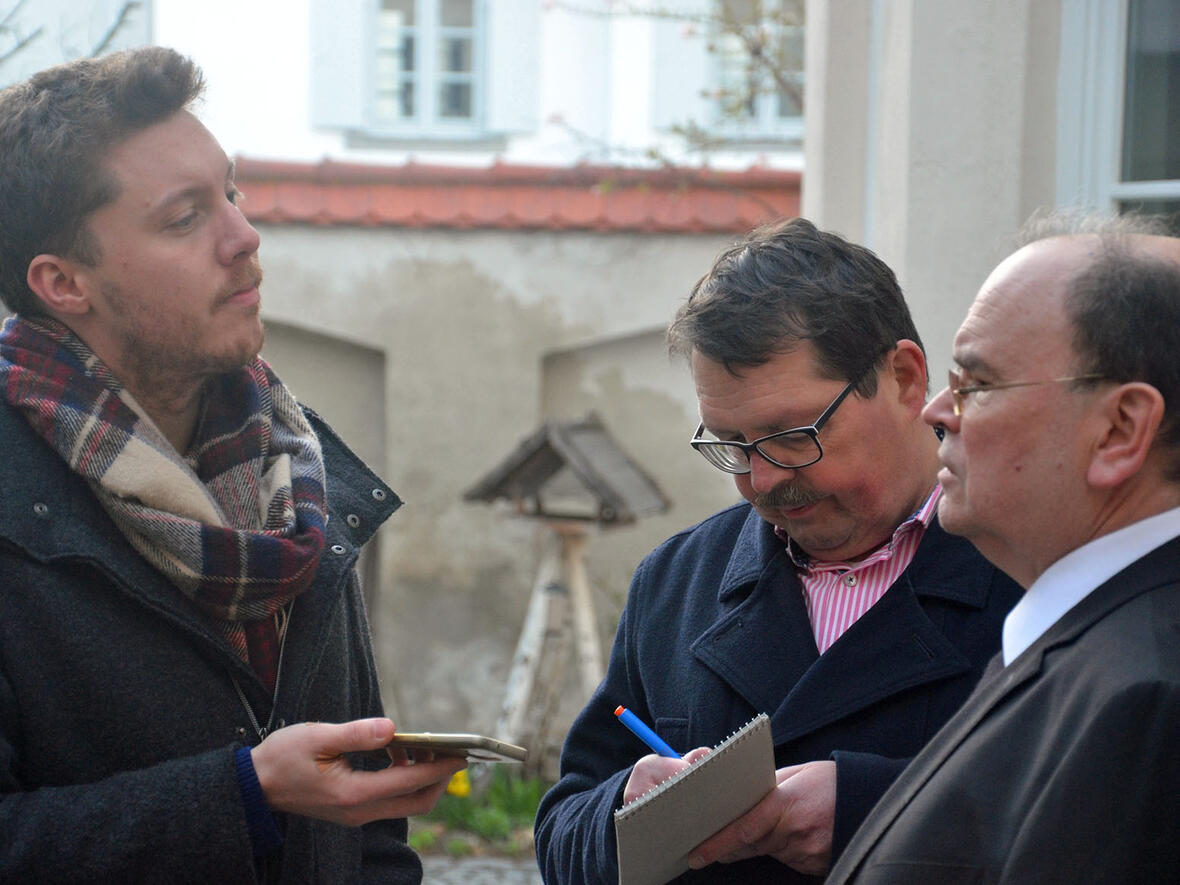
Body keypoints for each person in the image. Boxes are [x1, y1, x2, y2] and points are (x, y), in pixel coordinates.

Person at [0, 48, 465, 883]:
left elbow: (372, 836)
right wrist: (243, 796)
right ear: (63, 283)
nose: (244, 237)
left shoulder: (294, 469)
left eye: (233, 193)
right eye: (185, 219)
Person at [533, 218, 1023, 884]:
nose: (761, 481)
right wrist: (622, 806)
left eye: (792, 435)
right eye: (732, 444)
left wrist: (865, 811)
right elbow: (564, 823)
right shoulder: (678, 580)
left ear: (906, 379)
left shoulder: (1027, 566)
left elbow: (1099, 822)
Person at [827, 213, 1180, 884]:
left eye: (975, 385)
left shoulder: (1146, 700)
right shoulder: (1094, 644)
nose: (936, 411)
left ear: (1119, 430)